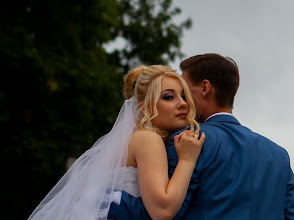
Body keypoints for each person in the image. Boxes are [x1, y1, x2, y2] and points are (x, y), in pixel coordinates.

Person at [108, 53, 294, 219]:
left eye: (185, 92)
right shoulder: (280, 155)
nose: (184, 103)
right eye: (171, 96)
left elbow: (165, 213)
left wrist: (102, 198)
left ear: (205, 88)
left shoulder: (189, 139)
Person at [28, 65, 205, 220]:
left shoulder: (133, 139)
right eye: (169, 97)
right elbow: (162, 211)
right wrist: (187, 160)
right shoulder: (148, 139)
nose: (183, 104)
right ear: (145, 108)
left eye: (183, 96)